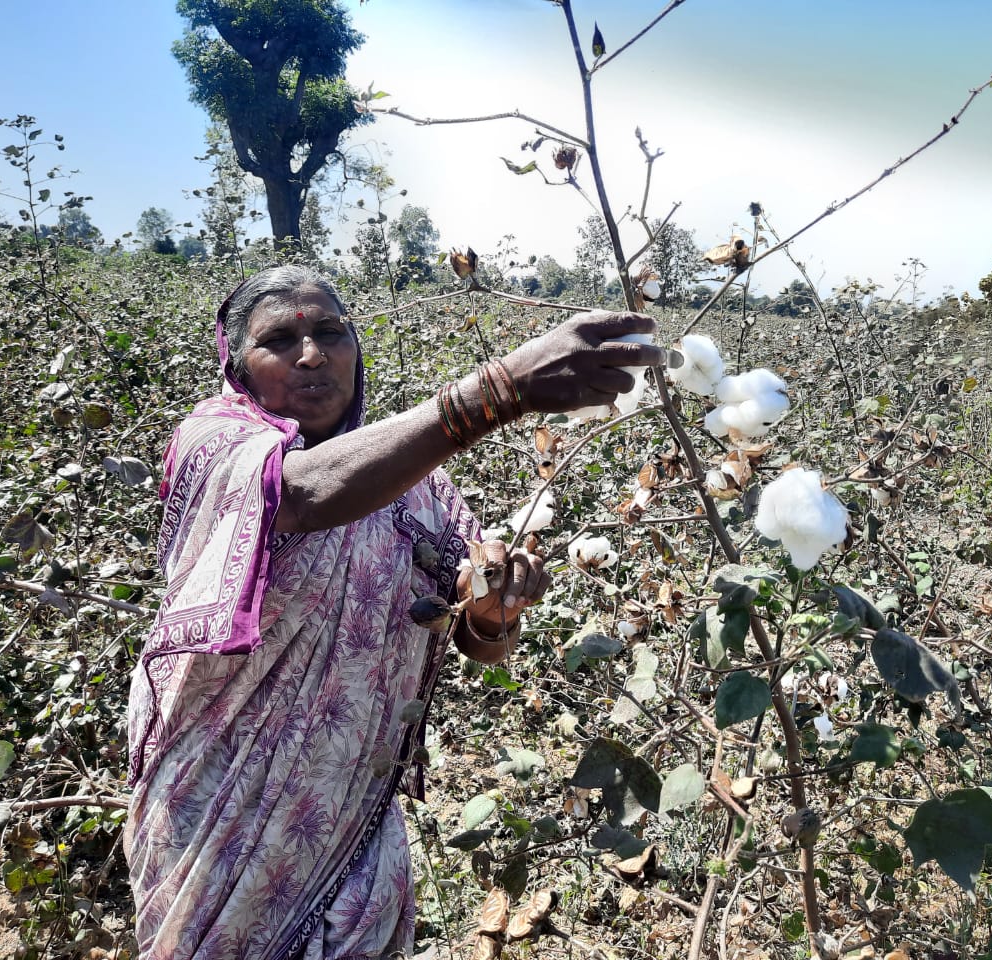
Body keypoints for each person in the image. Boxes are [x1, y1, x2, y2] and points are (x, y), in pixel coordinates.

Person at [125, 265, 663, 959]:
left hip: (352, 814)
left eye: (328, 332)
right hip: (220, 806)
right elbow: (304, 494)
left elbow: (480, 639)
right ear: (237, 365)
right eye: (279, 340)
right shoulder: (215, 445)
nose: (312, 354)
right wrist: (499, 391)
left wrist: (496, 608)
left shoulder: (414, 481)